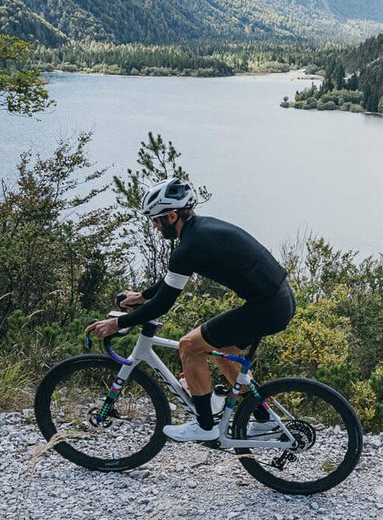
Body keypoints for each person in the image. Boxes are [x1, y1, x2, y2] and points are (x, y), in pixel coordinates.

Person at [83, 177, 295, 441]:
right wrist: (142, 295)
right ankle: (264, 420)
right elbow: (174, 277)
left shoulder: (191, 244)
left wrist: (118, 323)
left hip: (267, 307)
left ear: (172, 215)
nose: (156, 227)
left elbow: (163, 304)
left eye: (157, 220)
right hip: (276, 301)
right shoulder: (200, 233)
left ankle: (205, 426)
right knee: (223, 354)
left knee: (189, 345)